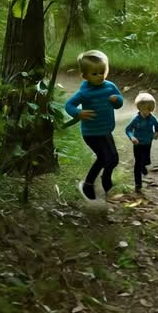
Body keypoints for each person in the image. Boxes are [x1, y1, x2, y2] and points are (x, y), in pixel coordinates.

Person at [65, 50, 124, 201]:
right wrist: (78, 113)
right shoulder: (84, 93)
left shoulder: (110, 87)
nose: (99, 76)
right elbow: (69, 105)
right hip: (91, 133)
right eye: (94, 74)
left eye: (102, 72)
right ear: (84, 76)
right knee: (108, 158)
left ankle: (96, 181)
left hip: (105, 130)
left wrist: (116, 99)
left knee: (108, 159)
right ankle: (97, 183)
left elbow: (119, 103)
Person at [125, 92, 158, 193]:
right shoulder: (136, 119)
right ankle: (138, 184)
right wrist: (132, 137)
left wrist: (156, 133)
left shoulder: (152, 118)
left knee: (146, 160)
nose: (148, 112)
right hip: (138, 144)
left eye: (150, 110)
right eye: (145, 110)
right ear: (139, 108)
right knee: (138, 163)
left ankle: (143, 166)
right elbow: (128, 129)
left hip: (148, 142)